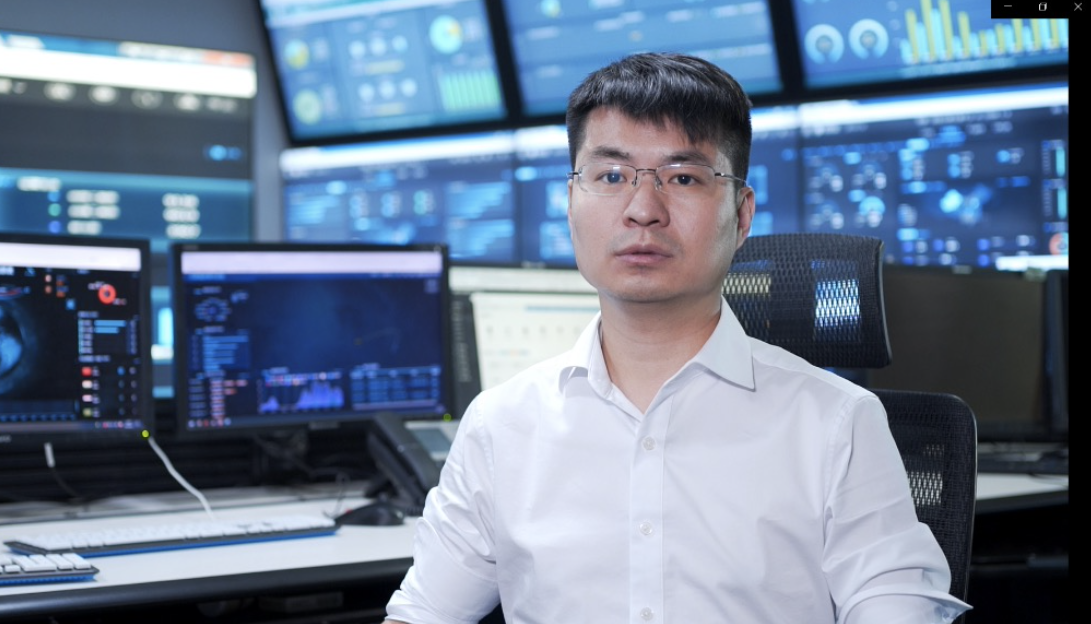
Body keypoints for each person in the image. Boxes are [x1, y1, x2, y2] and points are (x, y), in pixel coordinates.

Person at [383, 52, 971, 623]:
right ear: (569, 203)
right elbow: (424, 613)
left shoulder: (837, 423)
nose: (643, 209)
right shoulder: (500, 426)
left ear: (741, 216)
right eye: (611, 176)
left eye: (683, 177)